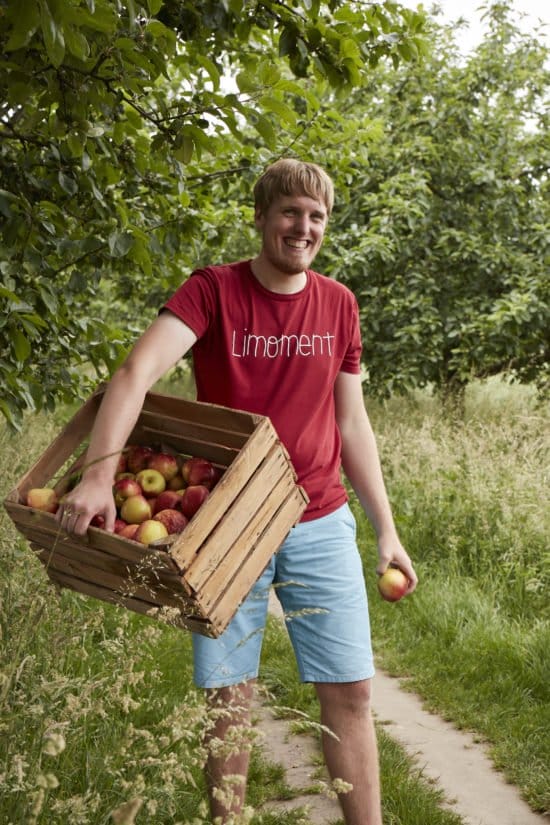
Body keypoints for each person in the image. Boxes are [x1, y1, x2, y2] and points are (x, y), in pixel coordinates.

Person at [57, 158, 417, 824]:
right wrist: (100, 475)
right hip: (224, 525)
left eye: (316, 216)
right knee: (230, 694)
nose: (303, 227)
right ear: (260, 217)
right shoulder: (212, 291)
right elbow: (135, 370)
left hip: (320, 516)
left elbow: (351, 421)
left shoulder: (339, 303)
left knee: (352, 691)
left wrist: (386, 530)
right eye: (289, 211)